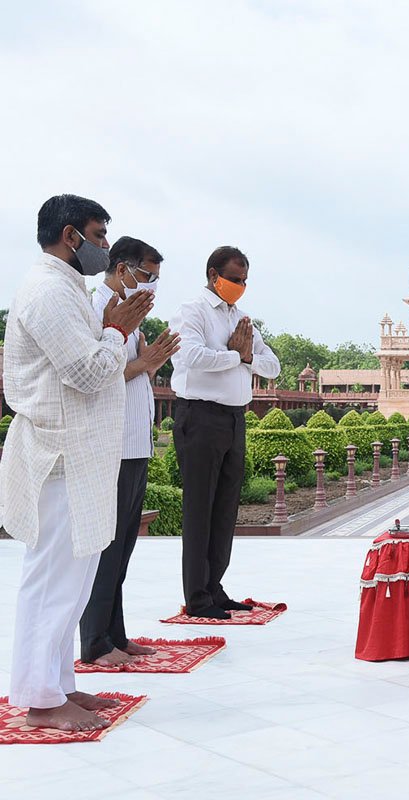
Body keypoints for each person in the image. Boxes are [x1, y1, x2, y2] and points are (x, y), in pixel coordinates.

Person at [1, 195, 153, 730]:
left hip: (80, 453)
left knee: (75, 576)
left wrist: (112, 329)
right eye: (99, 235)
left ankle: (58, 683)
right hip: (58, 453)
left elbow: (92, 370)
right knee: (53, 579)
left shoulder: (69, 290)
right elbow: (90, 374)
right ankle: (41, 699)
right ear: (72, 236)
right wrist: (114, 331)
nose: (106, 248)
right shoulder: (47, 292)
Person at [78, 238, 181, 666]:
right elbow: (96, 373)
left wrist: (152, 359)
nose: (152, 285)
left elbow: (136, 372)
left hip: (135, 443)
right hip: (110, 443)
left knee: (123, 547)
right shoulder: (97, 309)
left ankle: (115, 635)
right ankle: (94, 642)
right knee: (107, 546)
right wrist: (142, 363)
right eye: (147, 275)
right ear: (122, 269)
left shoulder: (131, 314)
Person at [170, 247, 280, 619]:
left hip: (234, 418)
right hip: (199, 416)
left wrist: (247, 356)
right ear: (214, 274)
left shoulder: (243, 318)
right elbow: (191, 357)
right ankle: (197, 597)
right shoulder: (193, 311)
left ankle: (214, 588)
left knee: (225, 508)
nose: (241, 286)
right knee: (200, 507)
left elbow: (273, 366)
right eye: (235, 279)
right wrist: (237, 356)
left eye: (245, 280)